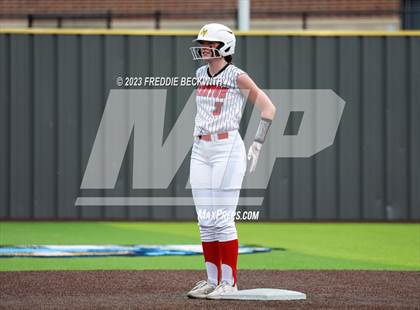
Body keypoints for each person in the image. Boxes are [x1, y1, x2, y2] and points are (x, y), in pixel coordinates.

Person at [187, 23, 276, 299]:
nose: (203, 47)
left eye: (209, 43)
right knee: (205, 220)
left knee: (223, 219)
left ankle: (230, 282)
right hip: (201, 148)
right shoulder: (200, 73)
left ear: (223, 46)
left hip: (227, 148)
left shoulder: (237, 76)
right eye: (202, 43)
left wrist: (258, 144)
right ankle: (212, 280)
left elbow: (268, 107)